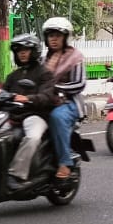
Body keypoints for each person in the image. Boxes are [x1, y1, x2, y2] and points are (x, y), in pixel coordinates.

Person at [1, 32, 57, 189]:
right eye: (19, 50)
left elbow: (47, 96)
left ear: (34, 51)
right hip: (14, 116)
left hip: (35, 115)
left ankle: (16, 175)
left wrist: (28, 99)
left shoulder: (44, 73)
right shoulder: (13, 76)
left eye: (26, 50)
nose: (22, 53)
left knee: (32, 138)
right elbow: (3, 93)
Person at [40, 17, 87, 180]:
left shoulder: (75, 57)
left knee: (56, 117)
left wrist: (57, 88)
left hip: (69, 103)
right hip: (45, 101)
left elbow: (79, 84)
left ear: (66, 37)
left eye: (58, 35)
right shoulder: (43, 58)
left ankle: (65, 163)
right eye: (50, 35)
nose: (53, 39)